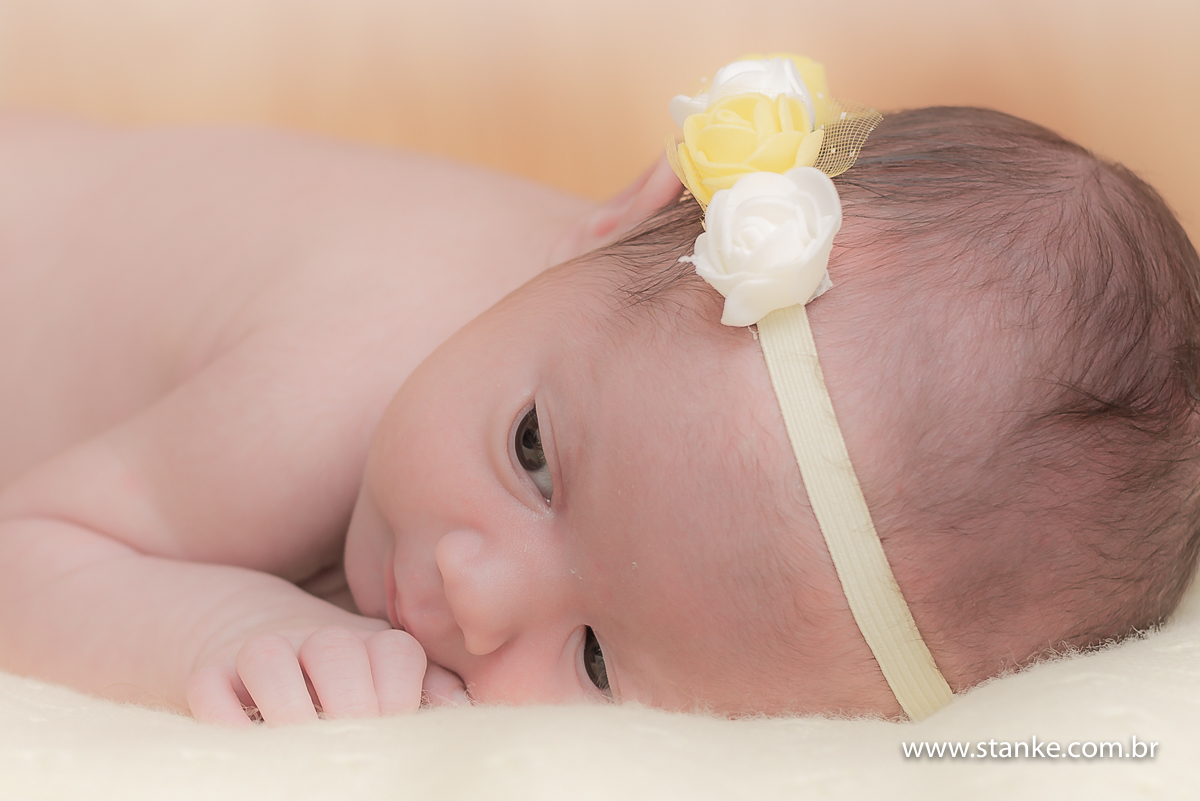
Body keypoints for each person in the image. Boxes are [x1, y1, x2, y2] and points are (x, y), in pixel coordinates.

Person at [0, 59, 1196, 726]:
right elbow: (28, 551)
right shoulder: (349, 360)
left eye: (595, 662)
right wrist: (235, 630)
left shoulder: (581, 353)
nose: (472, 599)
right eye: (531, 456)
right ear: (628, 213)